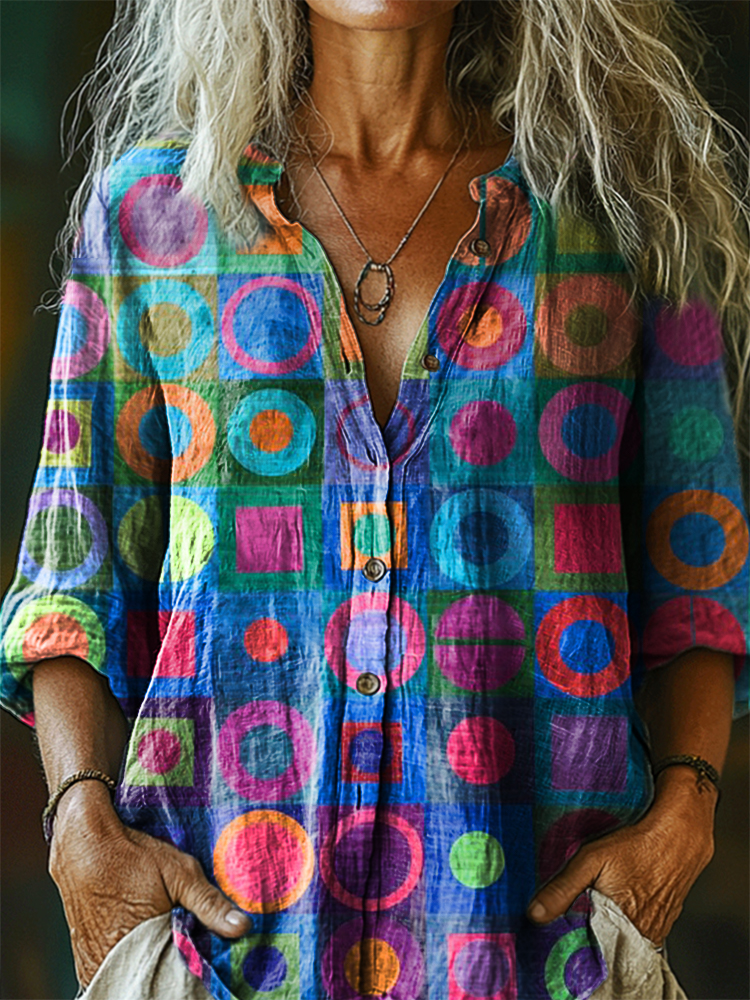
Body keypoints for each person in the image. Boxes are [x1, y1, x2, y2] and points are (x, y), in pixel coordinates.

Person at [1, 1, 749, 998]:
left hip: (536, 956)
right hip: (221, 959)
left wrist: (688, 807)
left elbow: (697, 560)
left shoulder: (622, 210)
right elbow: (72, 576)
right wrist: (80, 821)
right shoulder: (156, 216)